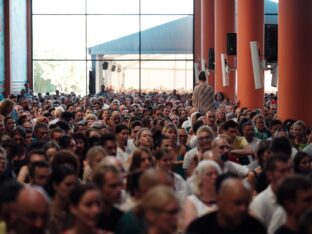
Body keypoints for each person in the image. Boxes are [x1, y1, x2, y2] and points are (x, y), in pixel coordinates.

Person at [186, 176, 266, 234]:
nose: (243, 208)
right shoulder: (199, 228)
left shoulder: (255, 227)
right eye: (237, 203)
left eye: (246, 203)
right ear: (220, 200)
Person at [182, 160, 221, 230]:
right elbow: (190, 228)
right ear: (200, 178)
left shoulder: (223, 200)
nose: (214, 177)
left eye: (216, 174)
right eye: (209, 174)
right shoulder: (191, 201)